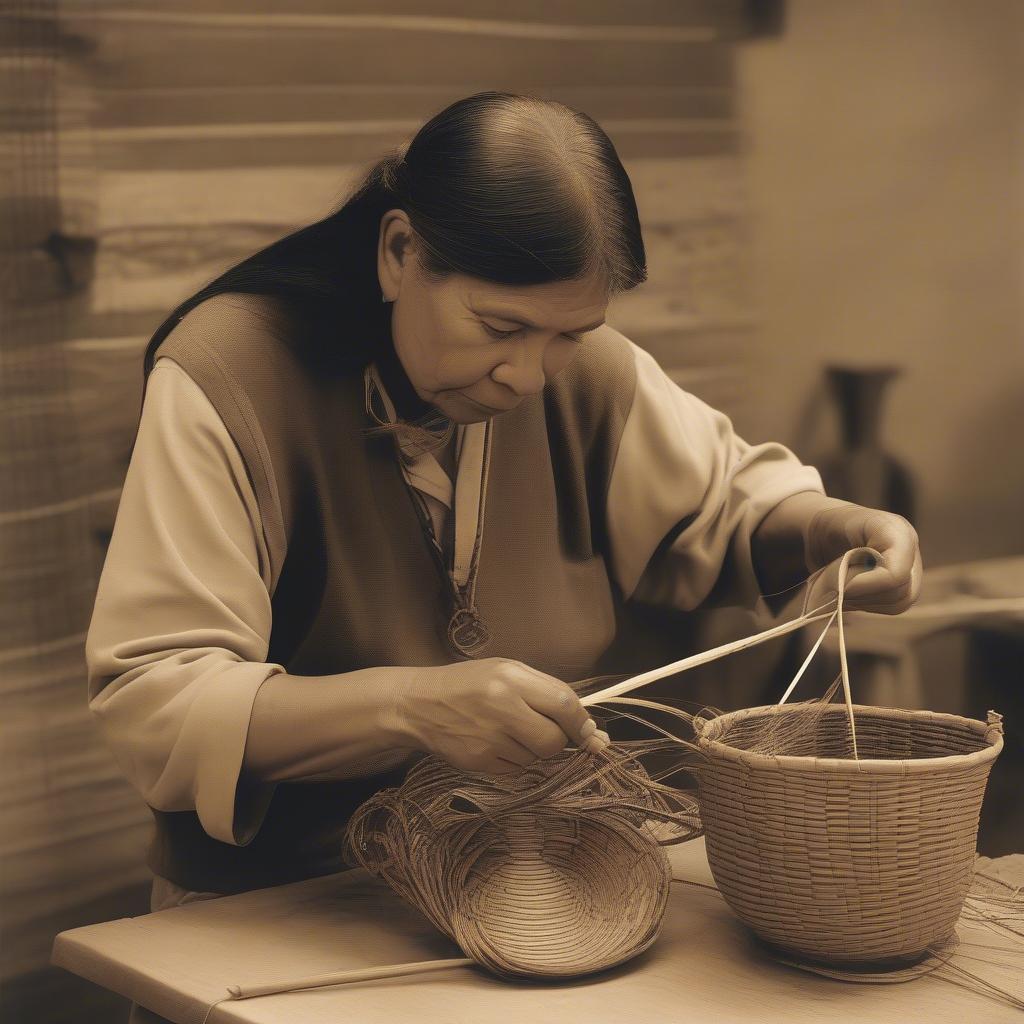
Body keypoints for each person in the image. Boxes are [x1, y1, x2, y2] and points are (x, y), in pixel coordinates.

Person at [85, 91, 921, 1022]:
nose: (529, 377)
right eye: (500, 328)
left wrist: (837, 528)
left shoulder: (586, 376)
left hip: (546, 896)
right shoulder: (228, 376)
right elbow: (157, 702)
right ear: (400, 252)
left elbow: (730, 506)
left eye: (569, 334)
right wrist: (410, 705)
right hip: (277, 917)